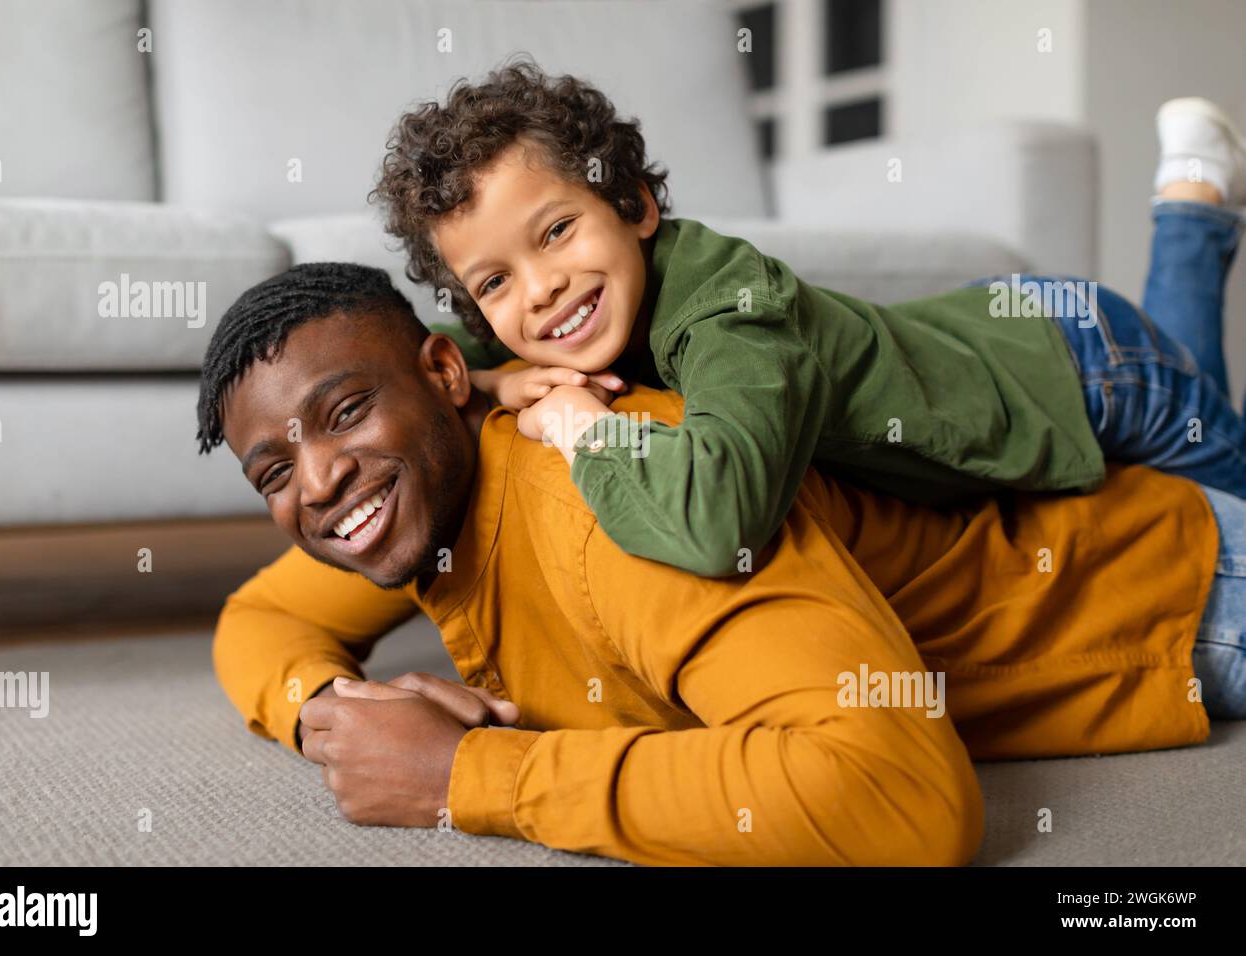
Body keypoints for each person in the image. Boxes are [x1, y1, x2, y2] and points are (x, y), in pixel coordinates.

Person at [195, 262, 1242, 867]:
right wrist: (332, 711)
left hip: (1186, 590)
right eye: (271, 470)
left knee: (1176, 396)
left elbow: (901, 796)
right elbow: (255, 621)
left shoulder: (618, 504)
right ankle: (1188, 238)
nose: (318, 480)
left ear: (444, 375)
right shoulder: (401, 502)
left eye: (343, 412)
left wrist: (465, 774)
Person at [370, 59, 1246, 579]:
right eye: (494, 281)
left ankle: (1193, 212)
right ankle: (1194, 203)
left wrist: (579, 423)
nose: (542, 291)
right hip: (993, 326)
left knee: (1224, 489)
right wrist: (490, 376)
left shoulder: (730, 313)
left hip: (1084, 366)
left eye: (557, 231)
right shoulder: (546, 309)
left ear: (635, 205)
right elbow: (441, 357)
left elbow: (720, 523)